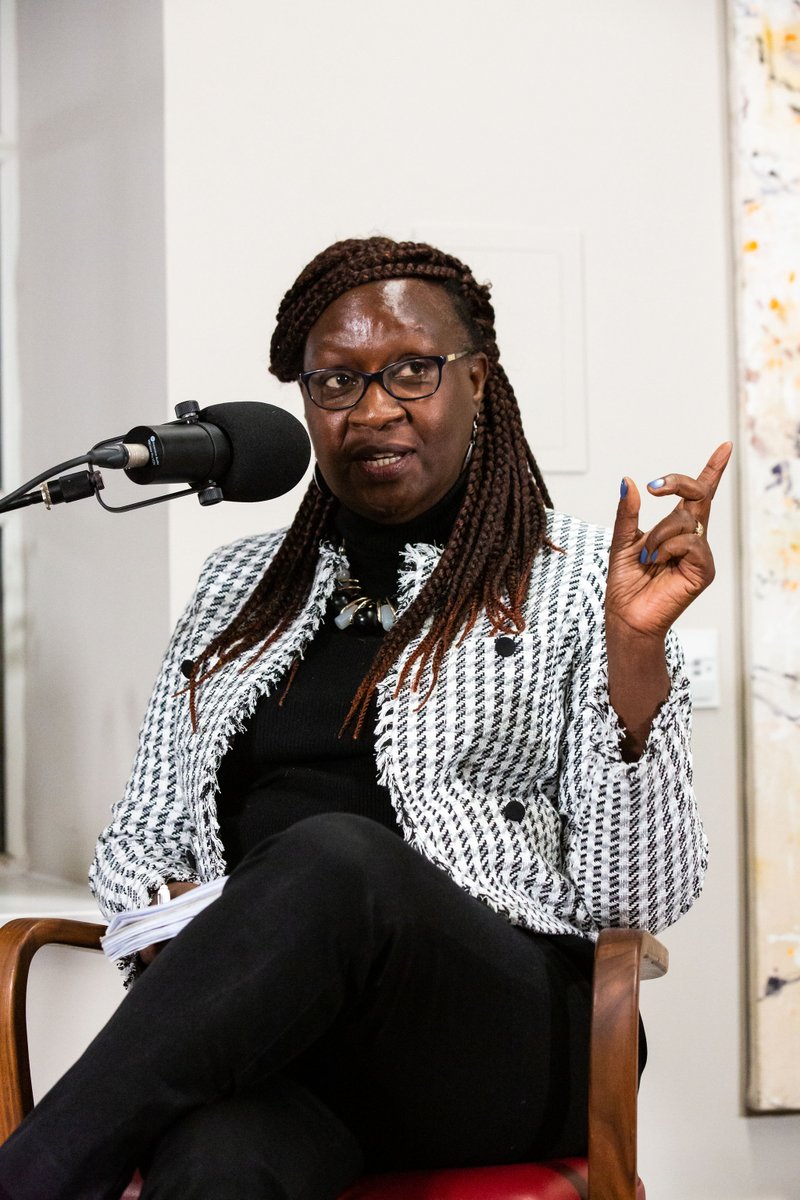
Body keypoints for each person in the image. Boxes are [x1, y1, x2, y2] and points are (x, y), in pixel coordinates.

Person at [0, 236, 731, 1200]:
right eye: (336, 383)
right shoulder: (237, 590)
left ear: (478, 382)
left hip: (498, 1043)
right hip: (294, 1046)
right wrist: (194, 935)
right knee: (215, 1161)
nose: (375, 408)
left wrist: (634, 655)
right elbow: (141, 838)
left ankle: (29, 1178)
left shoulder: (584, 584)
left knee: (333, 859)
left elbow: (638, 899)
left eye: (412, 372)